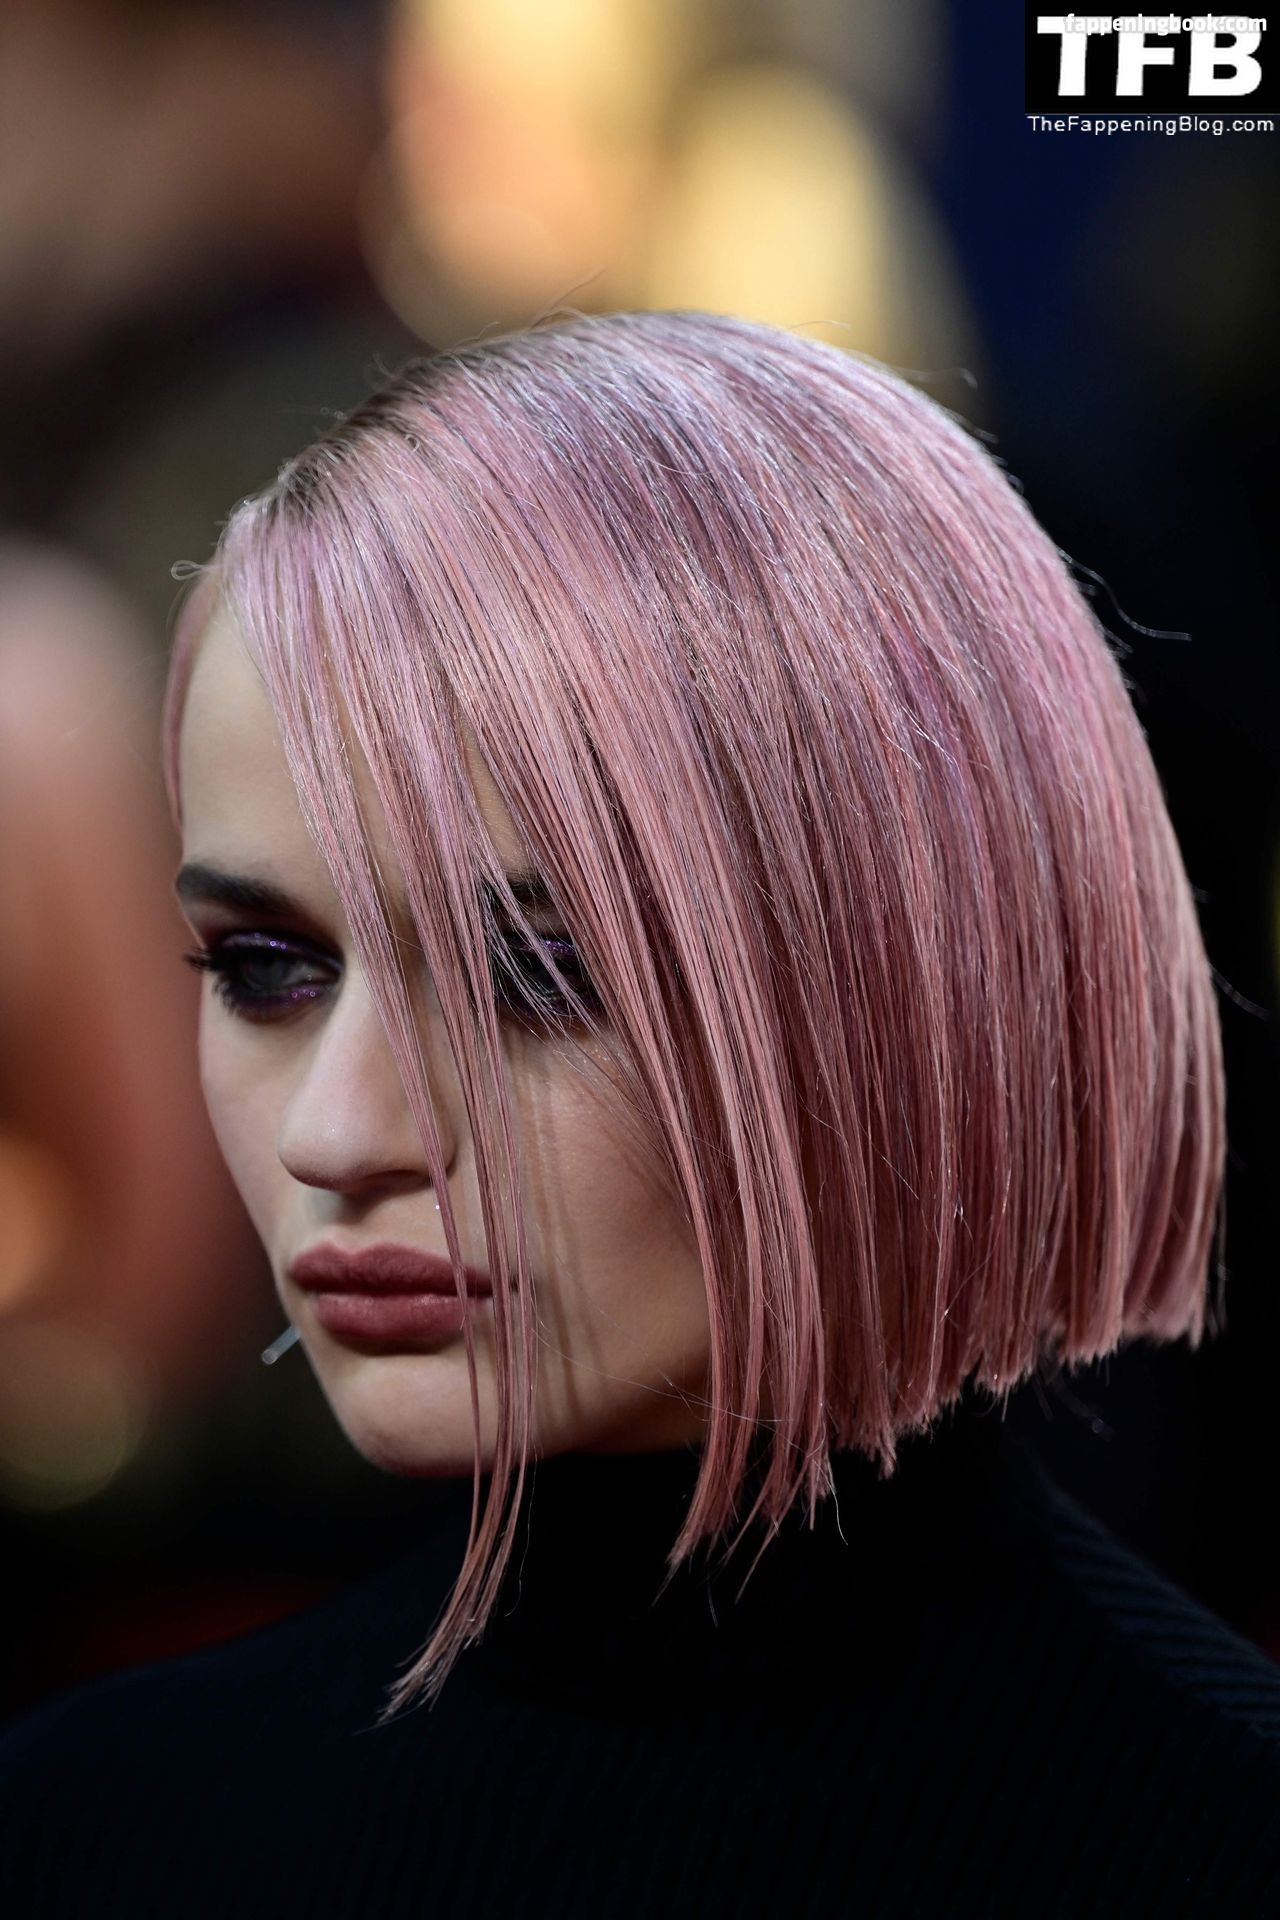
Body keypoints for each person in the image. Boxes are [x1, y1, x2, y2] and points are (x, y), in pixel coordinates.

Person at [3, 308, 1279, 1917]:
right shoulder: (88, 1833)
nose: (337, 1134)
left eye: (541, 976)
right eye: (268, 968)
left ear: (910, 972)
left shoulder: (1213, 1838)